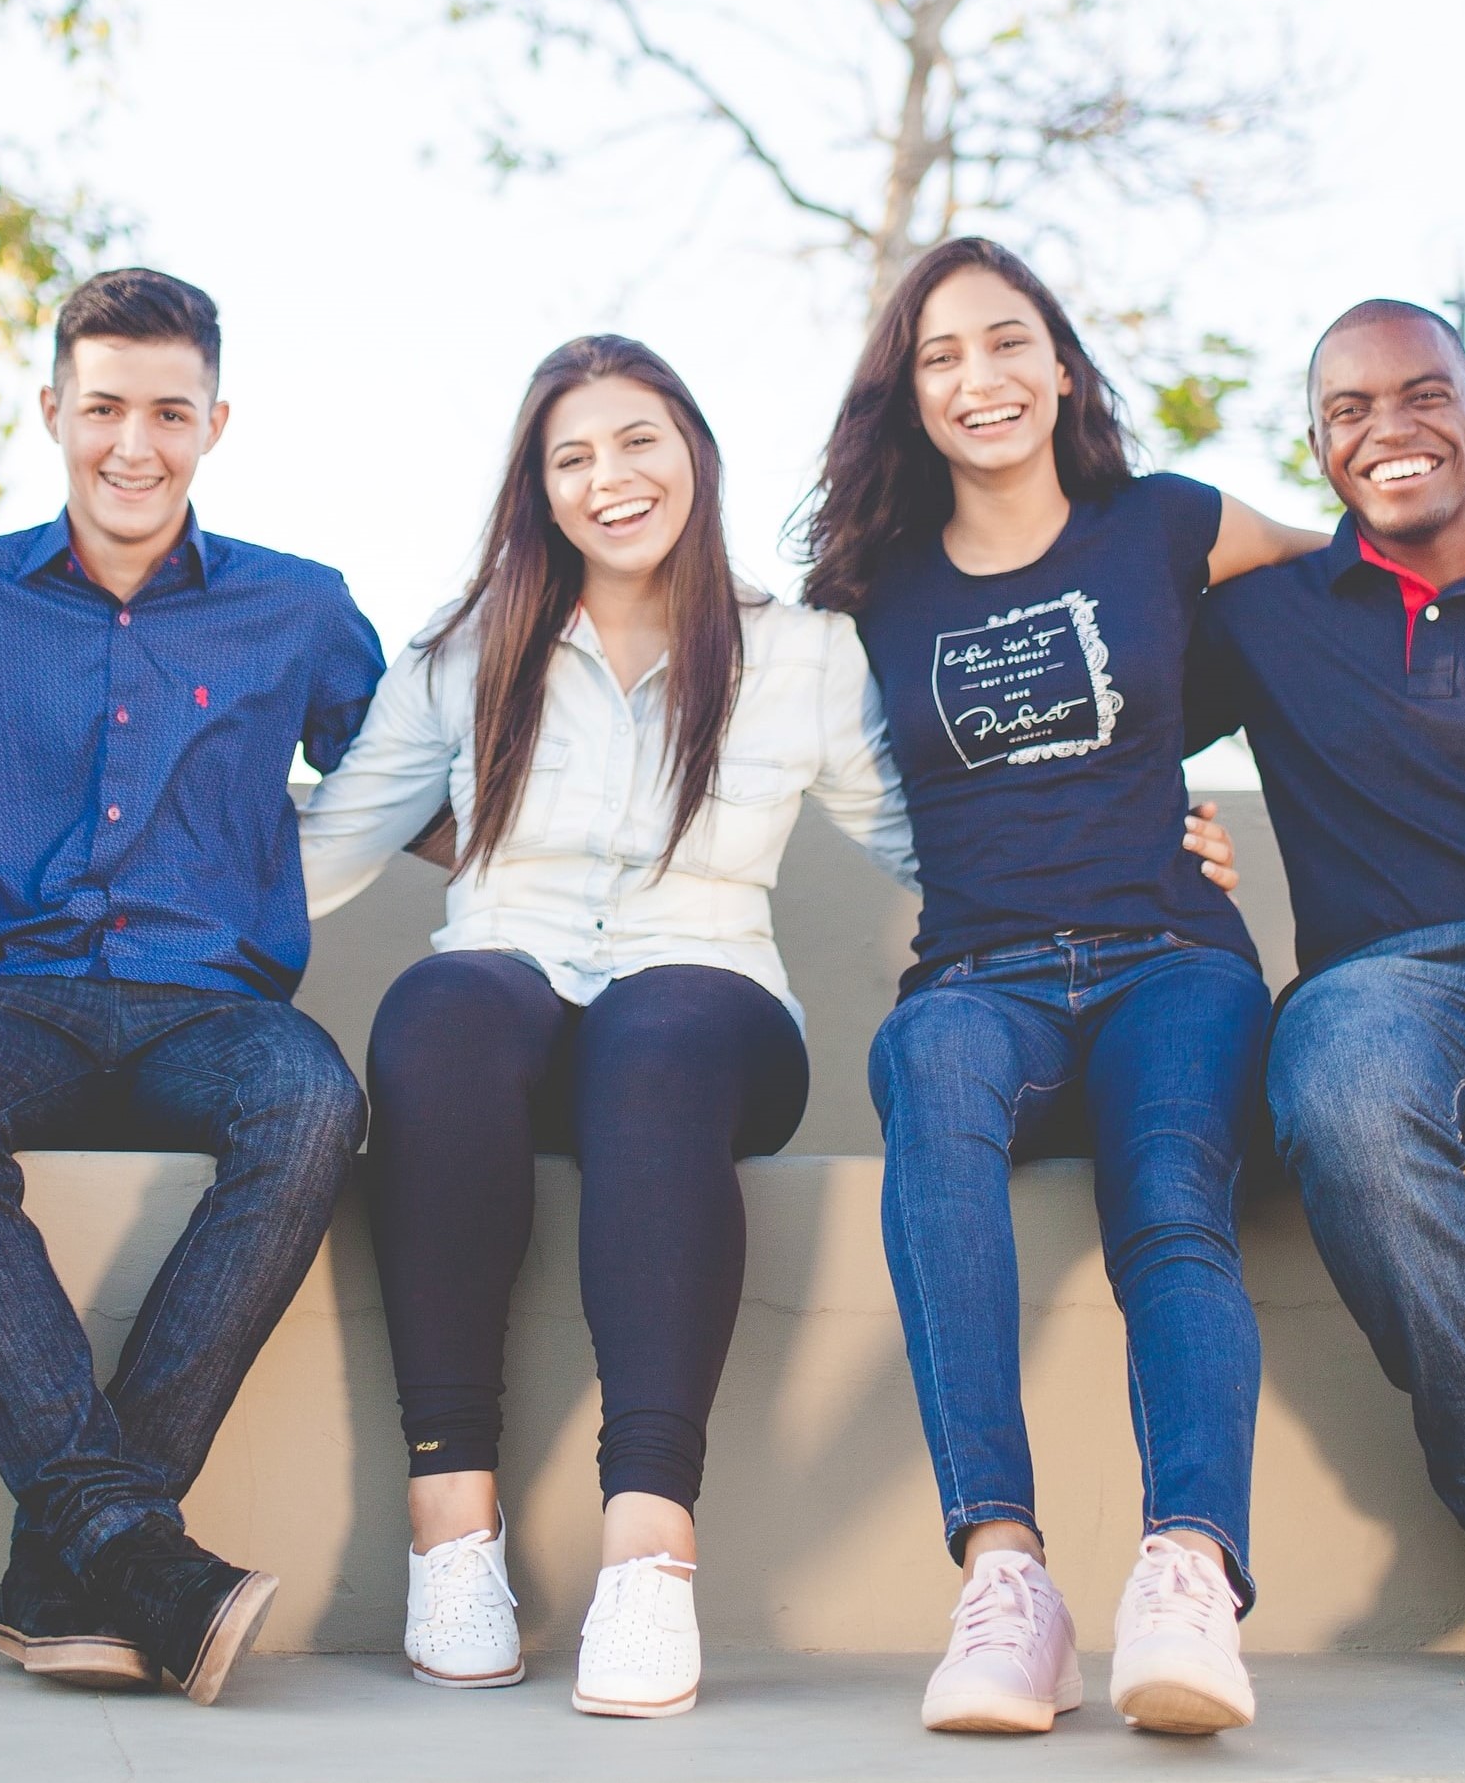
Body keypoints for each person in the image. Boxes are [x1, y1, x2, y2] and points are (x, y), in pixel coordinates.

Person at [299, 333, 1239, 1719]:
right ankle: (453, 1532)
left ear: (692, 454)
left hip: (707, 1009)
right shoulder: (466, 645)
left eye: (637, 441)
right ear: (536, 488)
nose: (608, 477)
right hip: (505, 989)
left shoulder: (798, 653)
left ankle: (647, 1550)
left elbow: (944, 836)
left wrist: (1133, 844)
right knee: (435, 1009)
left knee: (658, 1033)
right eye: (571, 456)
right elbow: (325, 846)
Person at [802, 236, 1322, 1738]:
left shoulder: (1162, 524)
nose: (981, 378)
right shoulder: (865, 589)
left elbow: (1354, 581)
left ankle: (1185, 1571)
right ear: (905, 396)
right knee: (933, 1081)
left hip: (1173, 956)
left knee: (1167, 1191)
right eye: (942, 356)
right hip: (980, 973)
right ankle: (1004, 1575)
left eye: (1007, 340)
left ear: (1062, 365)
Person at [0, 269, 384, 1707]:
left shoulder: (301, 606)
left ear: (217, 421)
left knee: (311, 1100)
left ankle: (80, 1554)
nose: (133, 445)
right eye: (103, 408)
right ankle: (136, 1551)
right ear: (52, 411)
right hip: (9, 1000)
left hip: (212, 1007)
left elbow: (427, 771)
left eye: (169, 410)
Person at [1187, 300, 1465, 1691]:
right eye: (1347, 410)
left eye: (1423, 395)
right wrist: (1158, 830)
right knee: (1338, 1088)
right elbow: (1085, 731)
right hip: (1393, 987)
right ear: (1315, 445)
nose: (1388, 429)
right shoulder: (1262, 619)